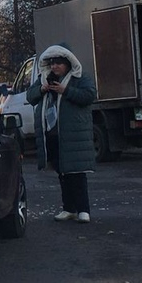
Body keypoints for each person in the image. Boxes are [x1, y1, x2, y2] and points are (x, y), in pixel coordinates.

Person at [26, 44, 97, 222]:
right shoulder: (44, 79)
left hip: (73, 134)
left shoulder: (79, 77)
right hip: (52, 134)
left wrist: (66, 91)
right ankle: (69, 208)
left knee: (77, 172)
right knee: (62, 172)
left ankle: (83, 210)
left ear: (67, 63)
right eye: (52, 63)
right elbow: (30, 96)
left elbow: (89, 96)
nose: (54, 67)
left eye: (58, 63)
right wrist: (42, 89)